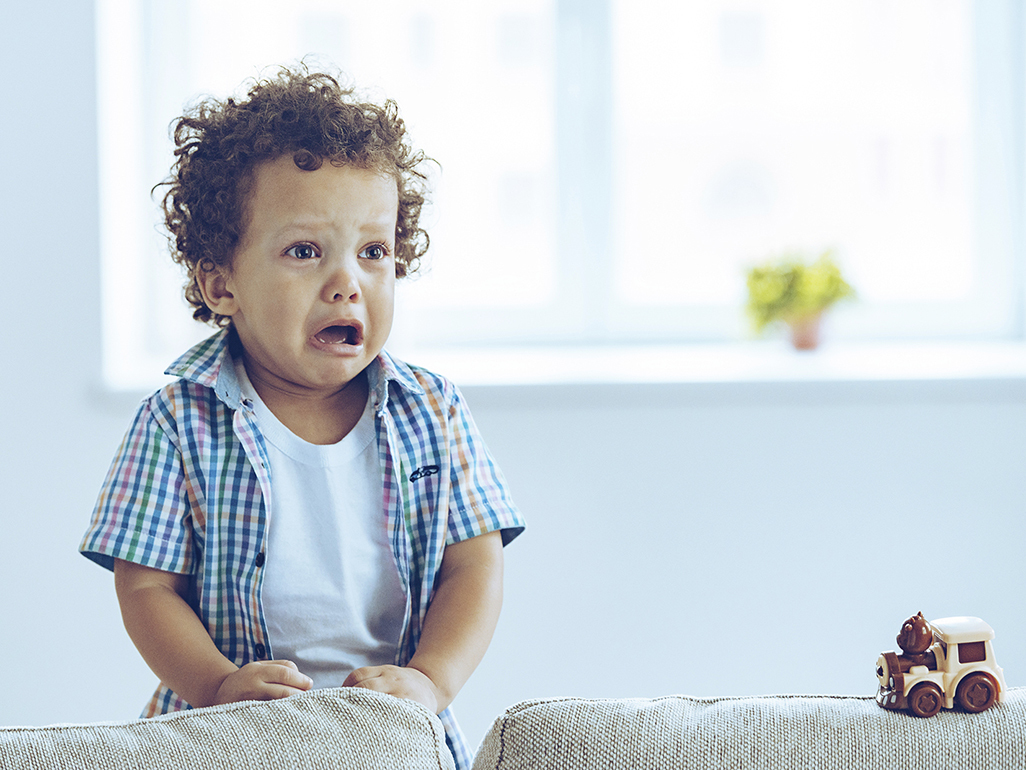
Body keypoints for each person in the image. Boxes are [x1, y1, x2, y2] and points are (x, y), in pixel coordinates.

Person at [80, 66, 525, 769]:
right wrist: (217, 684)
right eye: (304, 251)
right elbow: (145, 586)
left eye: (374, 252)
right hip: (223, 736)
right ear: (220, 283)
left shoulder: (433, 410)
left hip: (391, 737)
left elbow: (474, 566)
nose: (347, 280)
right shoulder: (177, 421)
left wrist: (431, 680)